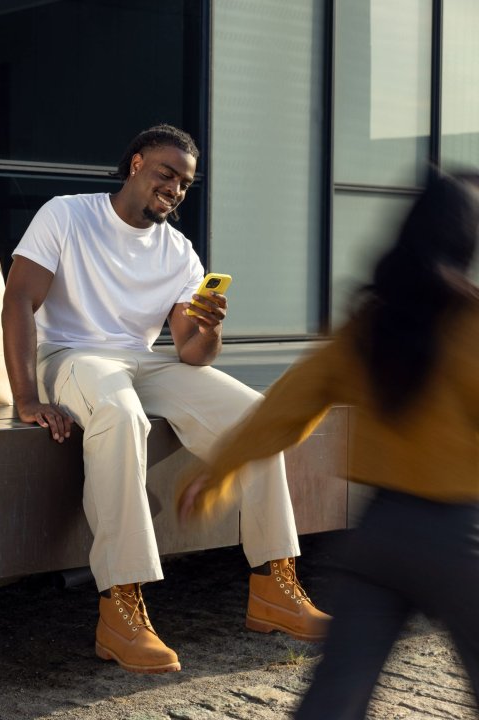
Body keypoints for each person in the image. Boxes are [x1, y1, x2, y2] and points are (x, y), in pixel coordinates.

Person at [1, 124, 330, 675]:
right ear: (135, 164)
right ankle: (120, 608)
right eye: (167, 173)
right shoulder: (66, 214)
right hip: (71, 355)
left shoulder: (178, 252)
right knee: (121, 413)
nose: (175, 189)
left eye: (185, 183)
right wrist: (25, 398)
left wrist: (211, 329)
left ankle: (275, 587)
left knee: (255, 417)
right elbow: (18, 301)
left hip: (144, 359)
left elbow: (192, 353)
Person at [177, 171, 479, 716]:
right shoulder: (470, 322)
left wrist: (217, 470)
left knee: (334, 699)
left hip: (379, 537)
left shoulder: (368, 325)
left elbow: (284, 409)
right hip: (462, 539)